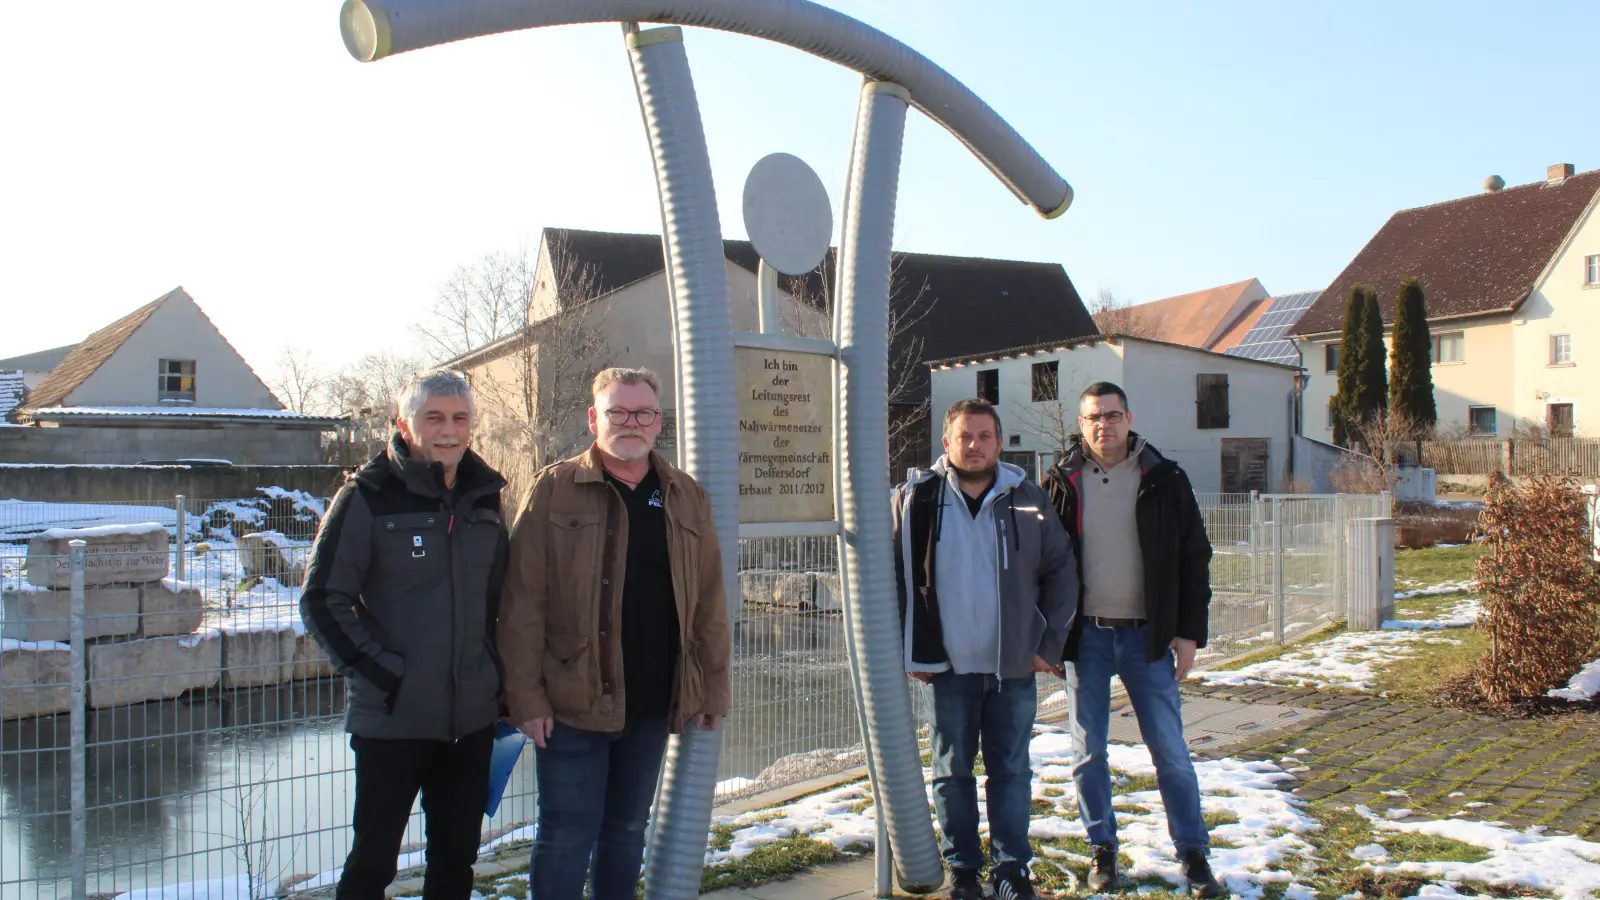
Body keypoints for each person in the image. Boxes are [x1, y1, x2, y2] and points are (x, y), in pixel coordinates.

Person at [498, 366, 732, 899]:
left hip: (652, 701)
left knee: (627, 831)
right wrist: (525, 698)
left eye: (643, 412)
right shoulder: (555, 488)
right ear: (593, 419)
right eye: (617, 412)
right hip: (571, 703)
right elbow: (520, 604)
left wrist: (713, 686)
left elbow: (710, 602)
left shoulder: (685, 494)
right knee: (565, 834)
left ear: (658, 421)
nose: (631, 422)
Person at [300, 369, 509, 900]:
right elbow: (322, 601)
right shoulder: (367, 495)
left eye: (460, 418)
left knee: (455, 862)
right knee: (373, 865)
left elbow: (497, 602)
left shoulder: (485, 496)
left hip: (470, 721)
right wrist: (385, 676)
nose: (448, 430)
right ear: (404, 424)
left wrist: (496, 679)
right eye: (433, 417)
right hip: (392, 720)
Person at [1040, 382, 1223, 898]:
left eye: (1113, 415)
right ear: (1083, 424)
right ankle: (1103, 849)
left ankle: (1192, 853)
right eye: (1094, 417)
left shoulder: (1165, 478)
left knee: (1169, 751)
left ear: (1129, 416)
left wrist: (1189, 633)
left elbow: (1195, 557)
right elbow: (1041, 566)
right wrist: (1050, 635)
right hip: (1086, 640)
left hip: (1149, 638)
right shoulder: (1061, 481)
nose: (1105, 425)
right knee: (1087, 752)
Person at [893, 398, 1078, 900]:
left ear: (999, 442)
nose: (974, 446)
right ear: (947, 443)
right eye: (964, 436)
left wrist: (1049, 645)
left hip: (1012, 667)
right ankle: (965, 873)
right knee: (951, 774)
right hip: (945, 668)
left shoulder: (1028, 499)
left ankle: (1011, 871)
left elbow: (1062, 571)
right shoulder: (915, 500)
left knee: (1011, 771)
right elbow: (889, 578)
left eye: (984, 436)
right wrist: (907, 649)